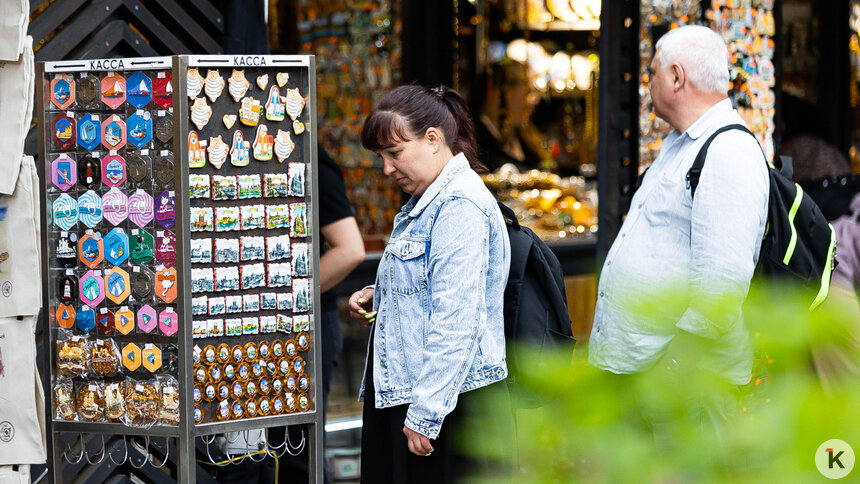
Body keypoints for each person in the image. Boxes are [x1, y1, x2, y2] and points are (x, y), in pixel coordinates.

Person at [588, 25, 769, 438]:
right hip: (650, 381)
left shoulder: (727, 152)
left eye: (652, 72)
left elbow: (721, 287)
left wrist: (671, 372)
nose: (646, 83)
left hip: (683, 392)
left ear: (676, 77)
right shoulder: (681, 143)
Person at [347, 84, 511, 483]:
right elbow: (432, 287)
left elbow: (457, 320)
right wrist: (382, 293)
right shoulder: (431, 200)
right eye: (382, 157)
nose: (387, 168)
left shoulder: (458, 206)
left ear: (433, 139)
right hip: (420, 396)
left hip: (442, 405)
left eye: (395, 153)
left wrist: (426, 414)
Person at [268, 144, 365, 484]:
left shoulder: (308, 156)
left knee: (298, 453)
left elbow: (350, 249)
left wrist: (276, 304)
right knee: (260, 456)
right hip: (272, 330)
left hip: (302, 329)